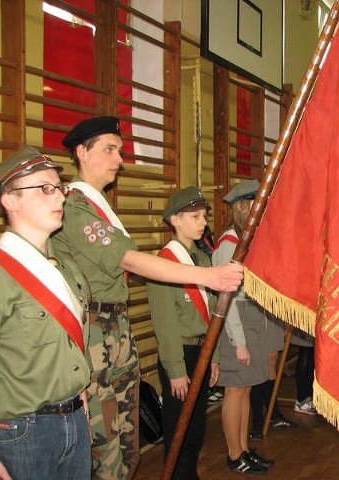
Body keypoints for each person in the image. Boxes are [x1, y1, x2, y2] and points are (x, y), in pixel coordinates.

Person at [52, 116, 243, 479]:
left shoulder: (98, 207)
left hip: (114, 331)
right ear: (81, 152)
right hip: (92, 333)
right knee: (104, 443)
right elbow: (127, 259)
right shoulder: (75, 208)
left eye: (119, 150)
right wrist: (207, 275)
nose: (118, 159)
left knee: (125, 441)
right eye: (109, 150)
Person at [0, 147, 92, 479]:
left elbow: (73, 345)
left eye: (59, 187)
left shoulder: (66, 269)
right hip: (22, 434)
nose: (59, 196)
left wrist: (81, 399)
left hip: (74, 419)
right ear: (10, 200)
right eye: (45, 188)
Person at [146, 186, 221, 480]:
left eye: (204, 216)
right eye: (195, 216)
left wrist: (213, 356)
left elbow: (212, 314)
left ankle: (189, 474)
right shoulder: (164, 262)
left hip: (202, 351)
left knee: (196, 427)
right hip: (180, 355)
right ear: (175, 220)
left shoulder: (201, 260)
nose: (203, 222)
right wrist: (176, 370)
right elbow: (165, 324)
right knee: (179, 428)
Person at [212, 179, 275, 475]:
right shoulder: (228, 245)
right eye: (256, 205)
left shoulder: (245, 240)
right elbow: (227, 300)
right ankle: (233, 453)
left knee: (246, 390)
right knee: (235, 391)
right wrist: (238, 342)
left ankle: (244, 449)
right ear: (244, 207)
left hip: (251, 324)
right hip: (235, 327)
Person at [291, 329, 318, 416]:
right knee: (306, 353)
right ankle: (302, 399)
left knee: (310, 356)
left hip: (312, 324)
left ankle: (307, 398)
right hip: (305, 324)